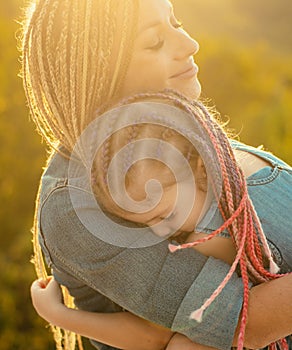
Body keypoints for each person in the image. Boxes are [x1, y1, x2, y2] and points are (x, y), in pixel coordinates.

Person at [21, 0, 292, 349]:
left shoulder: (182, 131)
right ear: (100, 67)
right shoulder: (79, 202)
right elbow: (240, 322)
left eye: (176, 24)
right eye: (154, 42)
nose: (190, 45)